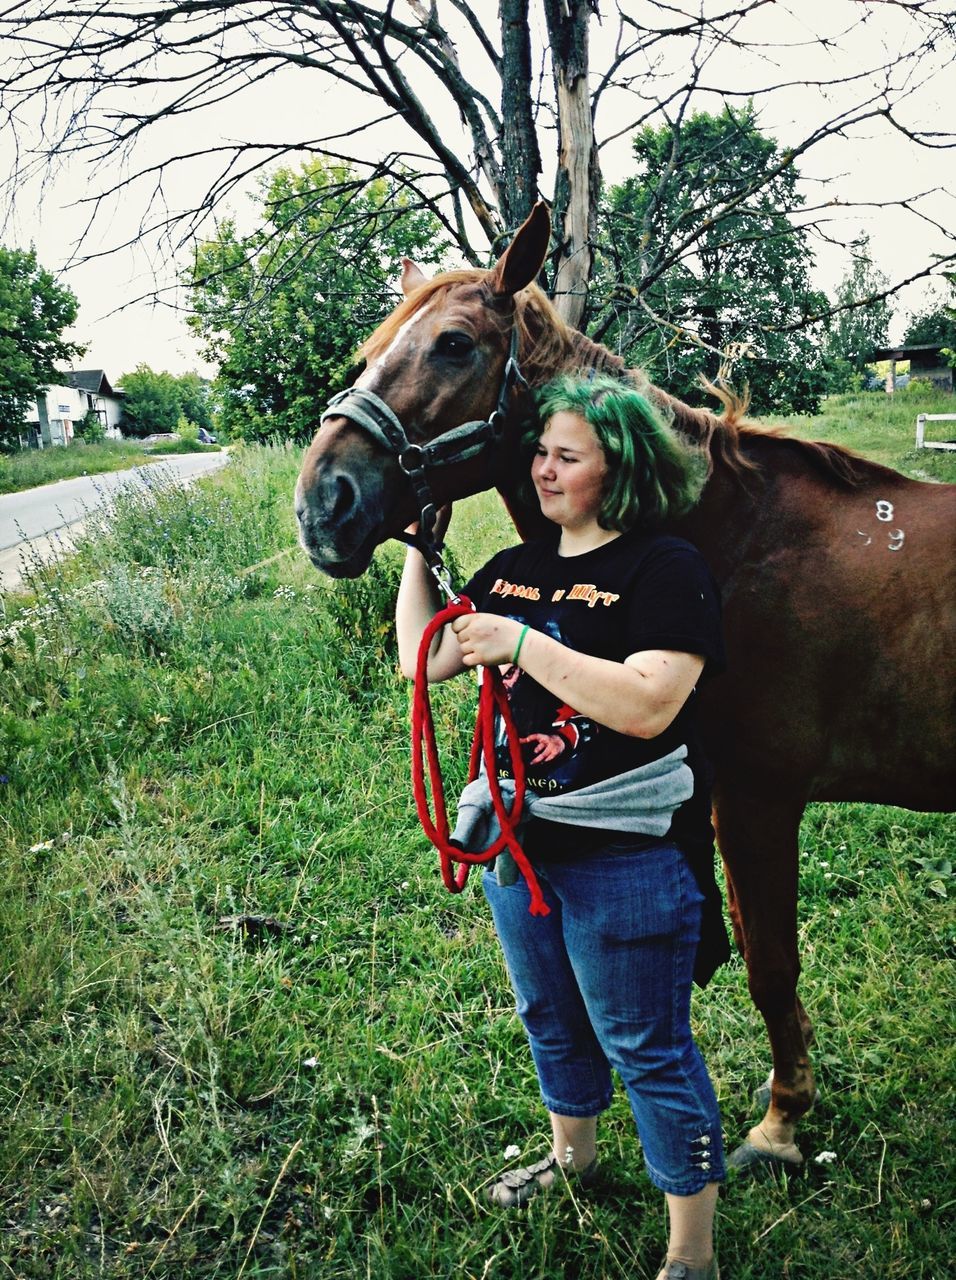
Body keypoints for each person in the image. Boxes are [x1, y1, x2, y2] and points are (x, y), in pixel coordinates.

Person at [396, 373, 728, 1280]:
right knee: (550, 1017)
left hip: (627, 859)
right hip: (518, 846)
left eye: (565, 456)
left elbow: (651, 704)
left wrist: (524, 644)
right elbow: (422, 665)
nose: (542, 470)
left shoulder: (664, 569)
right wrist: (422, 556)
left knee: (647, 1047)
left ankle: (690, 1250)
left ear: (616, 468)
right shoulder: (513, 566)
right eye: (540, 452)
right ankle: (573, 1155)